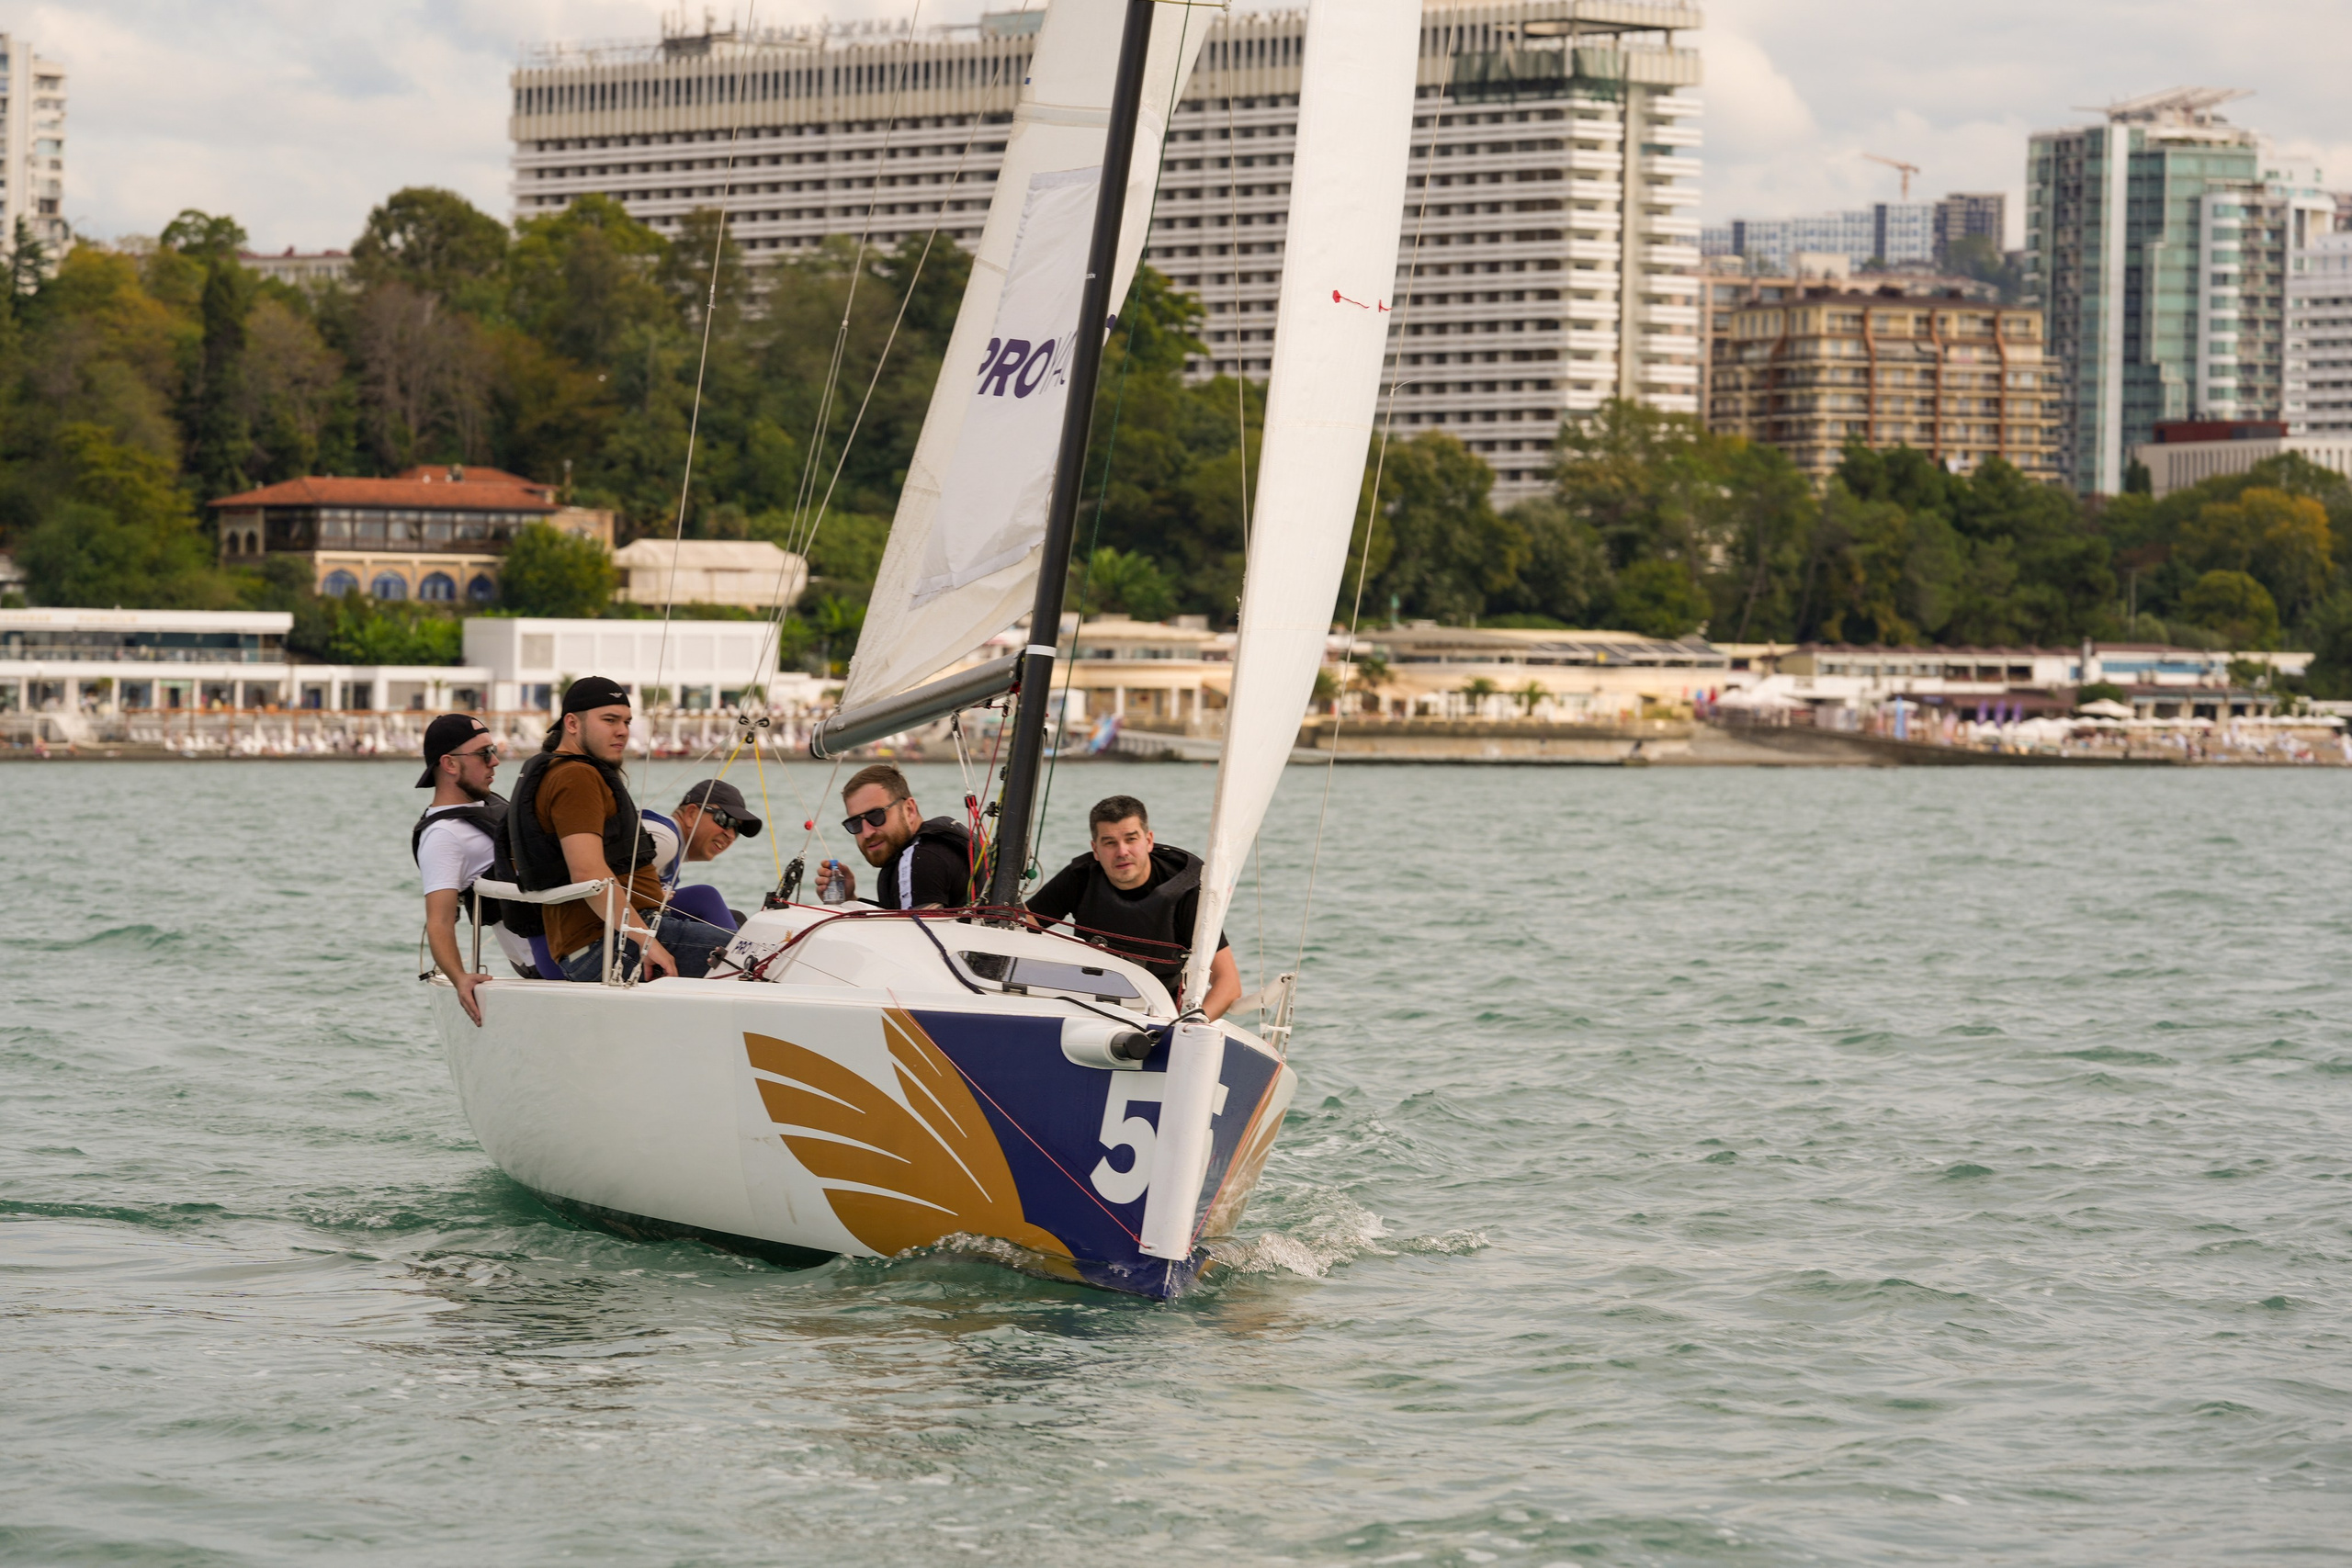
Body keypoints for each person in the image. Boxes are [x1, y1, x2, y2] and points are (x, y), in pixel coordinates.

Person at [505, 676, 736, 983]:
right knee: (766, 958)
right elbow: (587, 872)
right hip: (605, 943)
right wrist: (644, 939)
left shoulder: (559, 771)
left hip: (603, 939)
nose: (623, 731)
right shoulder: (575, 776)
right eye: (609, 720)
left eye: (626, 722)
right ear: (572, 723)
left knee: (756, 946)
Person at [1025, 795, 1242, 1020]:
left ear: (1149, 841)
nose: (1122, 852)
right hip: (1085, 1007)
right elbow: (1019, 924)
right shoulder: (1080, 877)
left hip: (1157, 1016)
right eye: (1110, 843)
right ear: (1095, 850)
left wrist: (1189, 1025)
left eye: (1131, 839)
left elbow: (1228, 982)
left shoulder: (1186, 891)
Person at [413, 713, 536, 1025]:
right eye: (484, 753)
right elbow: (439, 921)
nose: (495, 761)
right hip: (545, 954)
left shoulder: (489, 804)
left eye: (493, 750)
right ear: (450, 764)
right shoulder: (443, 836)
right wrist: (460, 978)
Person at [812, 762, 972, 909]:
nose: (867, 833)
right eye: (855, 823)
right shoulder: (940, 847)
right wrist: (850, 900)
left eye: (876, 816)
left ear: (909, 810)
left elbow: (921, 931)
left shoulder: (920, 860)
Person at [640, 778, 762, 934]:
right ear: (691, 814)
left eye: (737, 830)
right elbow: (608, 878)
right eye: (725, 820)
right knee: (705, 897)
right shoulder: (664, 840)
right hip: (615, 934)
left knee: (736, 918)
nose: (731, 835)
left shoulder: (669, 843)